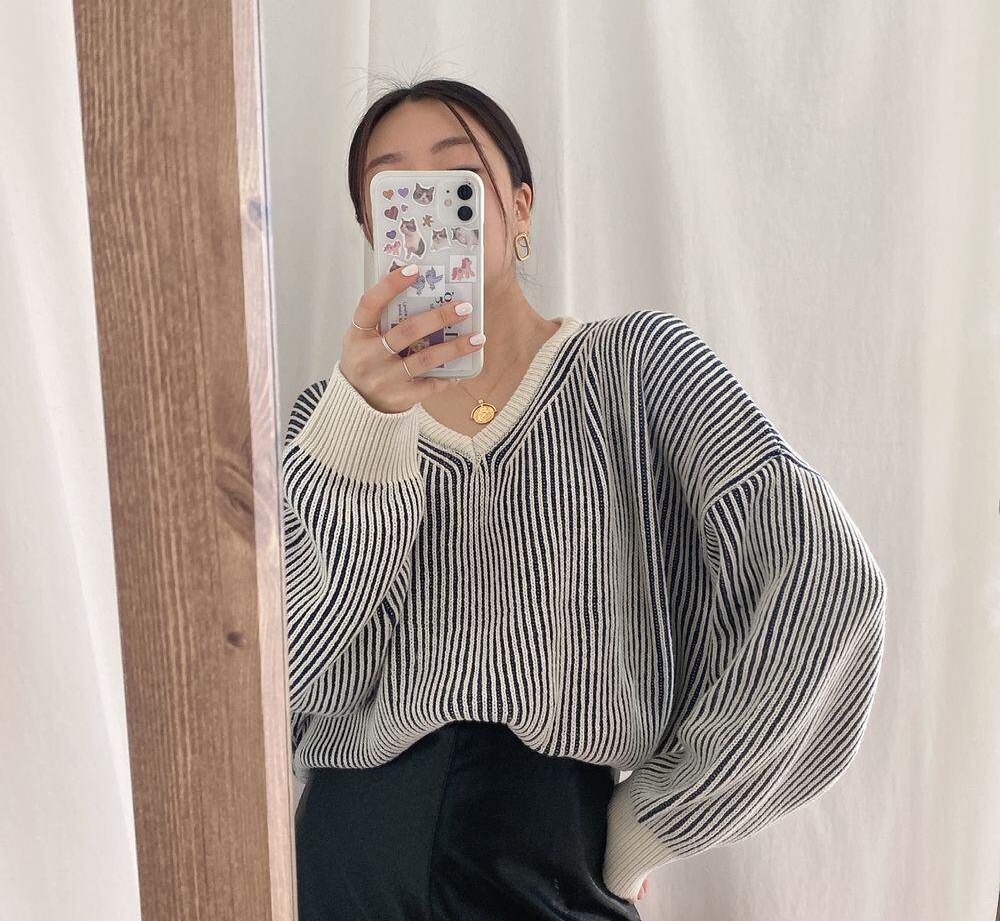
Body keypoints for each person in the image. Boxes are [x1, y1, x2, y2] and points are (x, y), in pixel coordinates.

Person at [282, 78, 886, 920]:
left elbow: (827, 580)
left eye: (456, 180)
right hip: (349, 857)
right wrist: (364, 424)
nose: (426, 209)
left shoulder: (636, 369)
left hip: (550, 854)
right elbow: (286, 665)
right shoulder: (329, 418)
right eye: (394, 190)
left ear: (519, 208)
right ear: (371, 230)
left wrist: (656, 822)